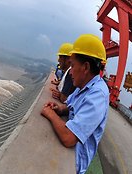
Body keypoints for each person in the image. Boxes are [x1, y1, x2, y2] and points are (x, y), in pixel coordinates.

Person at [41, 34, 109, 174]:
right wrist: (59, 109)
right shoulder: (83, 87)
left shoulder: (98, 96)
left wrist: (50, 114)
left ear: (85, 67)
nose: (70, 72)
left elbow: (69, 138)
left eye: (72, 65)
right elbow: (70, 106)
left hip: (74, 163)